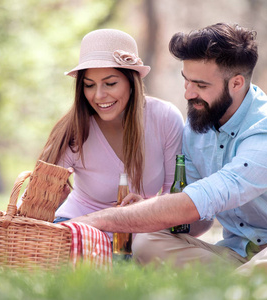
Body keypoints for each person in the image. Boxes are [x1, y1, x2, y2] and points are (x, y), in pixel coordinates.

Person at [67, 23, 267, 276]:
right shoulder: (198, 129)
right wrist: (146, 209)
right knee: (145, 241)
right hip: (236, 259)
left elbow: (204, 198)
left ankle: (253, 283)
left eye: (200, 85)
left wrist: (97, 219)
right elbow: (194, 219)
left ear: (236, 83)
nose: (188, 93)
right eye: (186, 81)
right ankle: (246, 283)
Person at [39, 29, 184, 241]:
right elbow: (35, 199)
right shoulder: (75, 128)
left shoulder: (165, 118)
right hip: (81, 229)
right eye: (89, 85)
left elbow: (176, 197)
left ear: (131, 82)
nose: (98, 96)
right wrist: (52, 197)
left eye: (110, 83)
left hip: (143, 232)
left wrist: (146, 208)